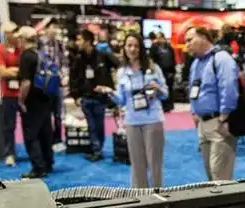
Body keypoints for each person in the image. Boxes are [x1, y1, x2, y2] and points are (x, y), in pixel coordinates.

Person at [101, 33, 167, 188]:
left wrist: (158, 88)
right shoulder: (122, 72)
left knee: (155, 164)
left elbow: (165, 94)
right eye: (129, 45)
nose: (132, 49)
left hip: (153, 120)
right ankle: (141, 197)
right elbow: (121, 100)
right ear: (124, 48)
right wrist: (110, 92)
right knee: (137, 165)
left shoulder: (153, 68)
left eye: (136, 46)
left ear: (141, 48)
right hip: (131, 121)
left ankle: (159, 195)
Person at [185, 26, 239, 181]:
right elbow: (193, 88)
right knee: (210, 175)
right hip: (202, 124)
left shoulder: (221, 58)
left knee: (220, 177)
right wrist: (194, 111)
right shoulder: (196, 63)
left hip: (219, 123)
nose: (187, 44)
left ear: (203, 37)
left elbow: (229, 88)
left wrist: (224, 118)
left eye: (190, 40)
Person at [69, 29, 120, 162]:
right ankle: (96, 149)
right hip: (85, 97)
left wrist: (113, 88)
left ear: (88, 41)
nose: (77, 42)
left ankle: (98, 148)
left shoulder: (103, 55)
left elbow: (119, 65)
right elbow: (73, 77)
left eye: (80, 40)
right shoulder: (78, 58)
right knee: (91, 125)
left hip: (100, 97)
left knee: (98, 124)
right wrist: (76, 96)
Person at [16, 26, 54, 178]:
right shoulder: (41, 54)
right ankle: (48, 163)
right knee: (45, 133)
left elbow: (26, 82)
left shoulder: (26, 56)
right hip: (45, 98)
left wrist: (21, 100)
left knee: (31, 135)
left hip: (32, 101)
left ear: (23, 39)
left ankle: (38, 167)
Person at [0, 21, 22, 167]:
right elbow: (3, 72)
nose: (16, 35)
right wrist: (16, 71)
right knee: (9, 126)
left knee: (29, 124)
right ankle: (10, 154)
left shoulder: (20, 48)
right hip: (8, 94)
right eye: (13, 32)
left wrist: (11, 70)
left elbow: (26, 69)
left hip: (22, 92)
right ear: (6, 34)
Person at [39, 19, 66, 152]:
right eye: (52, 27)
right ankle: (48, 139)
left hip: (58, 83)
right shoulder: (40, 44)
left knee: (58, 114)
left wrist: (64, 75)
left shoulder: (60, 44)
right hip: (45, 83)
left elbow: (64, 62)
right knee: (46, 113)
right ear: (46, 29)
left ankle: (58, 139)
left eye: (56, 28)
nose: (54, 30)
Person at [149, 32, 176, 112]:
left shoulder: (169, 47)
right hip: (159, 71)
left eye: (159, 38)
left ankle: (169, 106)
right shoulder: (154, 47)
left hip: (169, 71)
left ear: (163, 38)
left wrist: (173, 71)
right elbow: (151, 59)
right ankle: (162, 106)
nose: (158, 39)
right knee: (160, 88)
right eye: (157, 38)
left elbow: (173, 59)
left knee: (169, 89)